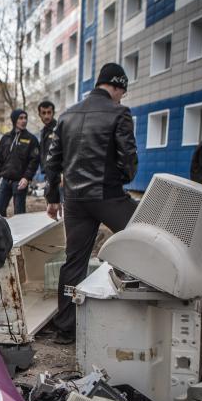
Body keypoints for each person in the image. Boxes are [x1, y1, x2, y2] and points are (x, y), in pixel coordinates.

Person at [43, 63, 138, 344]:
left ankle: (65, 329)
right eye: (123, 91)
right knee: (145, 238)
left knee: (74, 261)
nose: (122, 97)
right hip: (107, 194)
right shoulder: (119, 112)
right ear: (118, 86)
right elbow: (128, 158)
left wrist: (51, 198)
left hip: (74, 199)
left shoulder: (67, 115)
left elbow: (52, 162)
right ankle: (136, 313)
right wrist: (123, 178)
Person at [0, 109, 40, 215]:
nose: (24, 121)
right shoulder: (5, 138)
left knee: (19, 213)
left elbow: (34, 161)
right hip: (5, 180)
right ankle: (2, 231)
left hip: (20, 182)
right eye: (21, 118)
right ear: (14, 120)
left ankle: (20, 232)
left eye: (25, 118)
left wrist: (26, 178)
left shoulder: (31, 139)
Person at [37, 100, 57, 182]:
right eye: (44, 113)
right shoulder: (43, 132)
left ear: (53, 113)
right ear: (39, 115)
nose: (46, 116)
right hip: (48, 174)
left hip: (58, 175)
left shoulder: (58, 129)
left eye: (49, 112)